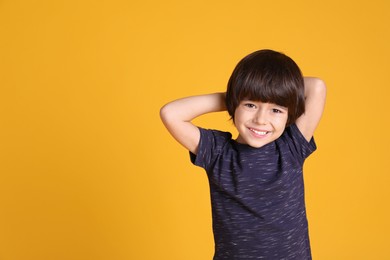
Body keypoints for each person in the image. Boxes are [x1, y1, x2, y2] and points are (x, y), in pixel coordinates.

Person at [160, 49, 326, 259]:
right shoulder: (218, 153)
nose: (260, 119)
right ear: (234, 104)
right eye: (250, 105)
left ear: (288, 114)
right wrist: (236, 95)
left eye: (276, 110)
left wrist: (268, 91)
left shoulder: (291, 147)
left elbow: (317, 87)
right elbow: (170, 113)